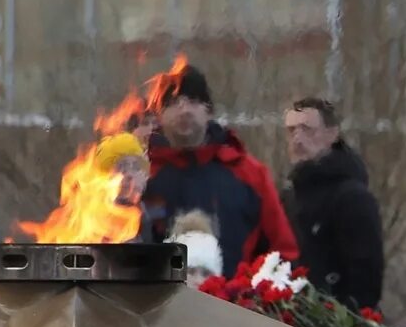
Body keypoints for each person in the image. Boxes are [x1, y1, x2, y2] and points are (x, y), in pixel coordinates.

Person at [140, 64, 296, 272]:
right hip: (161, 302)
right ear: (160, 114)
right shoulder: (142, 176)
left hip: (233, 301)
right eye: (174, 102)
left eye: (194, 101)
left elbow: (282, 252)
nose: (184, 110)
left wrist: (251, 295)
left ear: (209, 111)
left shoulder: (248, 173)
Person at [282, 97, 384, 311]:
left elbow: (366, 283)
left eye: (307, 129)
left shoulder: (353, 199)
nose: (298, 139)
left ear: (332, 134)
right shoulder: (288, 197)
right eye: (292, 131)